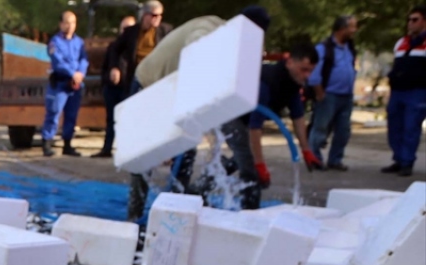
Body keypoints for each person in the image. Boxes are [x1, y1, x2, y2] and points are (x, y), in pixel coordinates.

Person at [124, 6, 273, 219]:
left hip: (182, 91)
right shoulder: (209, 28)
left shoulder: (242, 42)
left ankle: (176, 211)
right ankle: (134, 217)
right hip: (151, 84)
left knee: (189, 151)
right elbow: (194, 54)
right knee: (145, 155)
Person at [228, 43, 322, 210]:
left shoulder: (293, 82)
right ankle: (250, 212)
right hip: (232, 116)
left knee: (241, 158)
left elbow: (298, 117)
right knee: (250, 166)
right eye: (304, 69)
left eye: (310, 71)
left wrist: (306, 150)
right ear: (290, 62)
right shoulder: (268, 81)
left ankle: (204, 184)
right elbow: (254, 128)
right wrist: (260, 164)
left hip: (247, 118)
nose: (307, 75)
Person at [307, 16, 358, 171]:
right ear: (342, 29)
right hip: (329, 95)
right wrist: (320, 93)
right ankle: (314, 158)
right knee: (320, 128)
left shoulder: (350, 47)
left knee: (343, 130)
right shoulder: (323, 48)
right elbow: (314, 74)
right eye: (352, 27)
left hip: (346, 96)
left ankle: (335, 159)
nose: (354, 30)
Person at [383, 6, 426, 177]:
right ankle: (398, 159)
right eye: (409, 20)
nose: (410, 23)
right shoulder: (401, 43)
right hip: (398, 92)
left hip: (417, 92)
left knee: (410, 127)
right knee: (394, 126)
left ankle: (407, 162)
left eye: (415, 20)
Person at [42, 11, 89, 157]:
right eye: (67, 22)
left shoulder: (79, 42)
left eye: (73, 23)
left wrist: (80, 73)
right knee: (54, 112)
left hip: (75, 85)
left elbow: (84, 60)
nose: (70, 26)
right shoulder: (54, 42)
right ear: (61, 24)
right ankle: (47, 143)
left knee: (72, 115)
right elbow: (58, 61)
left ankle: (67, 145)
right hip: (61, 82)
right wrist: (72, 73)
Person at [96, 15, 137, 159]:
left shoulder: (135, 49)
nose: (126, 31)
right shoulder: (114, 47)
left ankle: (126, 150)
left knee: (127, 120)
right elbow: (105, 67)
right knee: (111, 120)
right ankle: (107, 149)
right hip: (112, 89)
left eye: (129, 28)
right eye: (124, 28)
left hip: (128, 88)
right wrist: (106, 83)